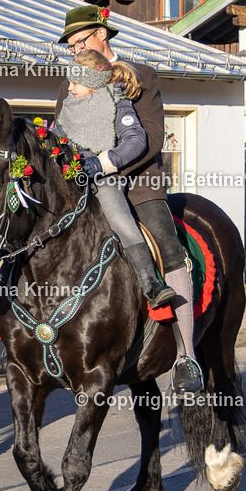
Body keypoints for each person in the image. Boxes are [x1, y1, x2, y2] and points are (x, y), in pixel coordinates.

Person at [0, 5, 203, 395]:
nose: (75, 50)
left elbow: (151, 137)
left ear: (102, 33)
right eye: (70, 46)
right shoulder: (70, 83)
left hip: (136, 182)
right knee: (30, 233)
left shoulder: (142, 75)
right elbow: (60, 138)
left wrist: (106, 165)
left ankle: (187, 356)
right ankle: (16, 342)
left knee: (169, 248)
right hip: (81, 183)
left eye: (79, 41)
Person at [56, 50, 175, 308]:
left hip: (102, 180)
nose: (70, 87)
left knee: (122, 221)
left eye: (75, 83)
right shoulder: (68, 107)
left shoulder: (118, 103)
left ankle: (150, 283)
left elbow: (136, 140)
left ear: (91, 82)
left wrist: (100, 163)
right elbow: (57, 138)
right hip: (70, 180)